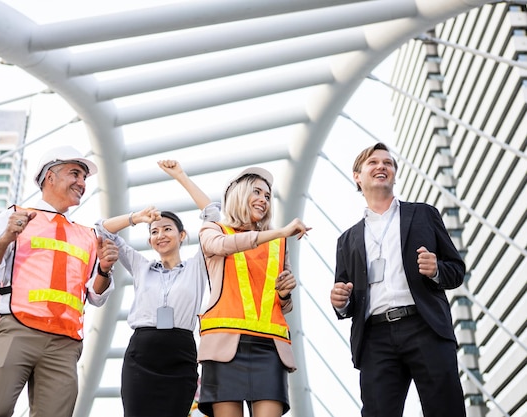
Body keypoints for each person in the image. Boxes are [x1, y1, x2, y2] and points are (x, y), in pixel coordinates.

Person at [0, 145, 118, 417]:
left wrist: (105, 270)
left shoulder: (87, 235)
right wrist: (5, 238)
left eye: (85, 178)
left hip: (65, 342)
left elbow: (96, 296)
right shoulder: (15, 216)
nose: (82, 183)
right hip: (18, 329)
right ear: (50, 177)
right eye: (75, 174)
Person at [330, 142, 466, 417]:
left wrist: (436, 268)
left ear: (393, 173)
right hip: (375, 338)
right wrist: (341, 301)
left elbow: (456, 270)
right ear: (357, 176)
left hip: (425, 326)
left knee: (446, 410)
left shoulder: (424, 215)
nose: (381, 166)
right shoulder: (347, 240)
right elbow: (346, 298)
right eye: (373, 162)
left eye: (388, 163)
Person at [95, 160, 220, 417]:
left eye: (167, 229)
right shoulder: (141, 266)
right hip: (142, 353)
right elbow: (102, 230)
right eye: (154, 231)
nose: (160, 235)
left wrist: (180, 175)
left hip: (180, 352)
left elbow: (212, 214)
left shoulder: (197, 266)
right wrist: (136, 218)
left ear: (182, 235)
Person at [197, 166, 310, 417]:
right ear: (239, 194)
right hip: (223, 346)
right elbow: (223, 246)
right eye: (256, 192)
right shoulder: (213, 230)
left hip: (270, 349)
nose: (263, 200)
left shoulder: (279, 243)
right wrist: (278, 232)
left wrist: (284, 293)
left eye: (268, 196)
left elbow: (284, 304)